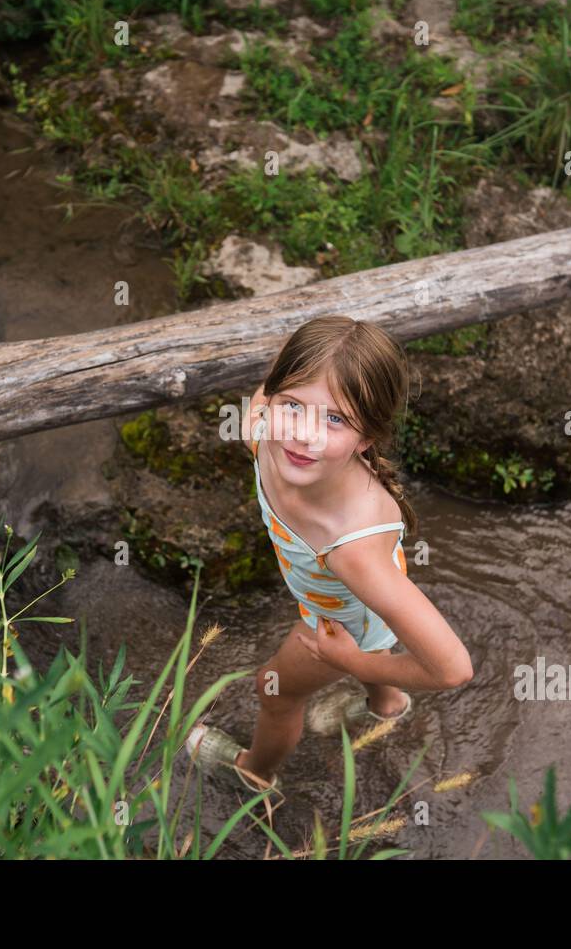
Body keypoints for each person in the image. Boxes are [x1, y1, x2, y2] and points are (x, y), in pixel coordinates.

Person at [185, 315, 474, 794]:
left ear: (367, 439)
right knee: (377, 640)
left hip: (341, 621)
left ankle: (254, 773)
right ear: (273, 396)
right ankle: (389, 707)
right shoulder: (259, 427)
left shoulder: (352, 550)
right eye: (294, 405)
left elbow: (452, 668)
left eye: (335, 419)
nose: (303, 435)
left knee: (273, 691)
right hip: (366, 597)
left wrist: (356, 663)